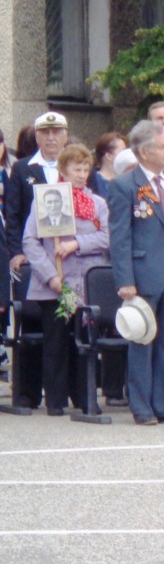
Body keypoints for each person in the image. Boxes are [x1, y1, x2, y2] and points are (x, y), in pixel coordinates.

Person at [109, 120, 164, 425]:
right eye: (162, 147)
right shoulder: (124, 186)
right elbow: (119, 237)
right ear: (144, 152)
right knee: (143, 338)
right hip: (144, 270)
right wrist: (125, 281)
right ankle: (142, 406)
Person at [22, 144, 110, 416]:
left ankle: (84, 397)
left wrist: (76, 244)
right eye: (76, 169)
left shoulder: (98, 203)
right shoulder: (47, 199)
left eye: (86, 169)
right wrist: (50, 276)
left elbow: (107, 238)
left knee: (84, 341)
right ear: (63, 170)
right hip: (56, 285)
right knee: (56, 342)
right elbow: (30, 241)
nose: (82, 174)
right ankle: (56, 400)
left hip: (85, 284)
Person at [5, 112, 68, 409]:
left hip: (68, 261)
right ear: (37, 136)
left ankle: (67, 394)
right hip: (34, 261)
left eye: (57, 132)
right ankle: (27, 394)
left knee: (66, 325)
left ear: (66, 135)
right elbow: (14, 216)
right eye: (46, 133)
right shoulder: (22, 169)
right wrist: (17, 252)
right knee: (32, 324)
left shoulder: (75, 165)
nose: (51, 138)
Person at [89, 132, 127, 199]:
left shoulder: (127, 180)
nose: (126, 155)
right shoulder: (93, 182)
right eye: (123, 152)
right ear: (108, 156)